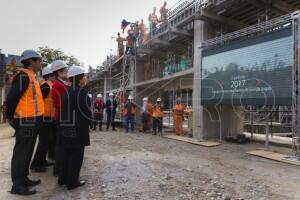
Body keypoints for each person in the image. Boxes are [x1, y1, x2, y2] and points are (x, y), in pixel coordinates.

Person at [6, 50, 44, 195]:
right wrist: (10, 117)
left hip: (32, 120)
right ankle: (17, 185)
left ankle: (23, 178)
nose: (41, 63)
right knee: (21, 152)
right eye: (39, 60)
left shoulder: (31, 76)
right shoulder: (23, 76)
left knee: (27, 151)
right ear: (30, 61)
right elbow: (11, 99)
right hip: (25, 120)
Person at [58, 66, 91, 190]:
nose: (85, 78)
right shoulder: (81, 91)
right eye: (84, 76)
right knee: (76, 155)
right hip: (77, 128)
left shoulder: (66, 91)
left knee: (66, 154)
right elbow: (86, 111)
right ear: (79, 78)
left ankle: (63, 179)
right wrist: (90, 122)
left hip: (65, 126)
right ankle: (72, 182)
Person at [30, 65, 55, 173]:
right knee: (43, 141)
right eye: (54, 74)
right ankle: (36, 164)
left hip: (48, 117)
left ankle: (42, 160)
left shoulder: (49, 85)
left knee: (46, 141)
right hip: (44, 117)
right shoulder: (45, 86)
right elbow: (37, 102)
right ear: (49, 75)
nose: (55, 76)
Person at [51, 60, 70, 176]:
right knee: (60, 145)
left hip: (63, 115)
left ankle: (59, 167)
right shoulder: (58, 84)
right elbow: (58, 103)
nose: (66, 72)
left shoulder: (62, 83)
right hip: (62, 116)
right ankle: (58, 169)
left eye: (66, 70)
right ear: (58, 72)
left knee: (60, 144)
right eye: (64, 70)